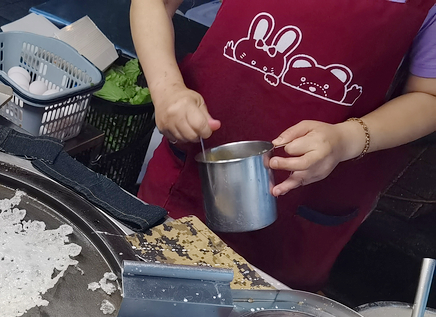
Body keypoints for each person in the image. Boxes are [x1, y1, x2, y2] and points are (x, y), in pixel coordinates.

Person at [132, 0, 436, 291]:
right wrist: (167, 89)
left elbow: (428, 96)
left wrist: (348, 138)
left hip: (307, 206)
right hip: (190, 171)